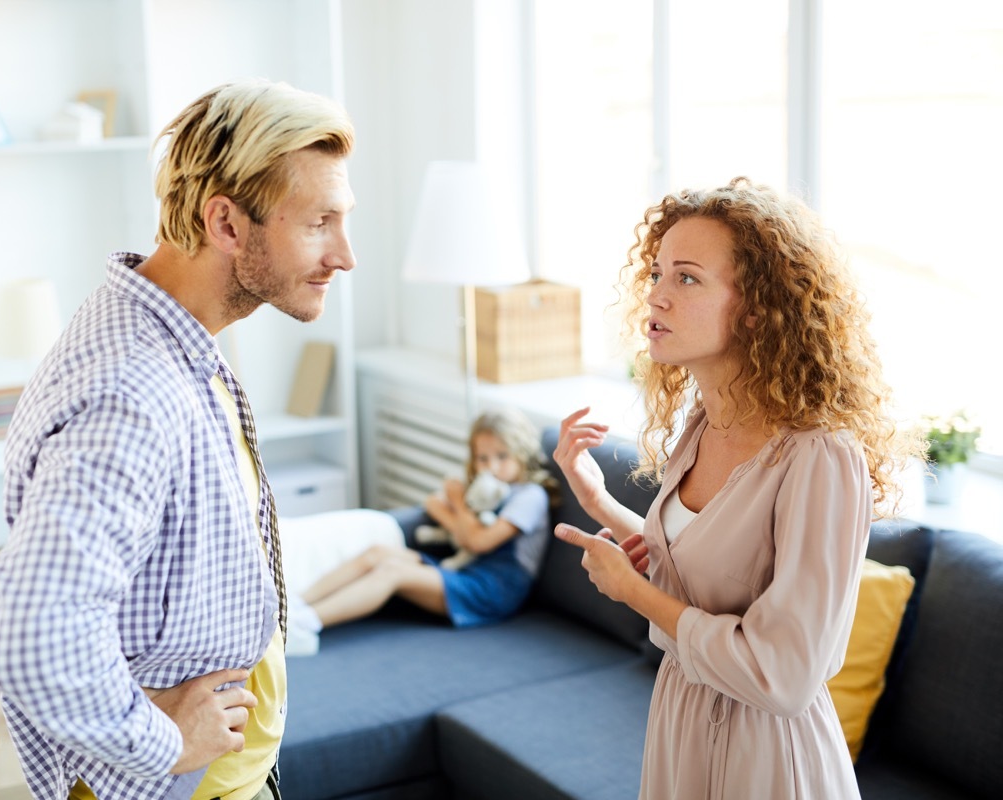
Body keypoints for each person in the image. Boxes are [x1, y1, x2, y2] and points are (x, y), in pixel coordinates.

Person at [0, 79, 356, 800]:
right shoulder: (134, 392)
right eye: (319, 222)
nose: (345, 254)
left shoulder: (168, 332)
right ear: (226, 223)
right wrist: (164, 740)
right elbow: (32, 635)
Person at [552, 177, 921, 798]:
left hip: (768, 757)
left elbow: (783, 674)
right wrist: (598, 501)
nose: (657, 297)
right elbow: (698, 569)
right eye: (658, 273)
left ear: (757, 307)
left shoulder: (818, 457)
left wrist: (631, 593)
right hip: (681, 724)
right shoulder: (703, 423)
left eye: (687, 278)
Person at [293, 408, 553, 635]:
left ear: (521, 453)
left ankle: (306, 624)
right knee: (379, 554)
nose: (491, 468)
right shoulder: (486, 489)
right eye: (482, 459)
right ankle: (296, 606)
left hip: (494, 589)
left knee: (392, 572)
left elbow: (478, 542)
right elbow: (433, 504)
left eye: (502, 456)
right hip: (465, 569)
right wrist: (460, 522)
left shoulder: (530, 495)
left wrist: (459, 507)